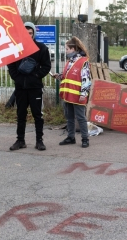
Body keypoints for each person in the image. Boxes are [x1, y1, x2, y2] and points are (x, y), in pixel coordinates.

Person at [7, 22, 51, 151]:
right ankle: (20, 140)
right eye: (25, 33)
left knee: (37, 115)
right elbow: (10, 65)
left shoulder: (41, 48)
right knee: (21, 114)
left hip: (35, 88)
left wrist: (36, 76)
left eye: (30, 33)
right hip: (20, 88)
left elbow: (47, 66)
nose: (28, 35)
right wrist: (17, 78)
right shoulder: (16, 48)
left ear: (34, 34)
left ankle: (39, 141)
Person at [55, 37, 91, 148]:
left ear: (74, 49)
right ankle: (71, 137)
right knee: (69, 117)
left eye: (67, 49)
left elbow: (86, 79)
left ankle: (85, 139)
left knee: (80, 117)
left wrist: (83, 93)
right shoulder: (69, 61)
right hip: (68, 95)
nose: (65, 51)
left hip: (78, 95)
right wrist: (60, 76)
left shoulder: (83, 61)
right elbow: (68, 76)